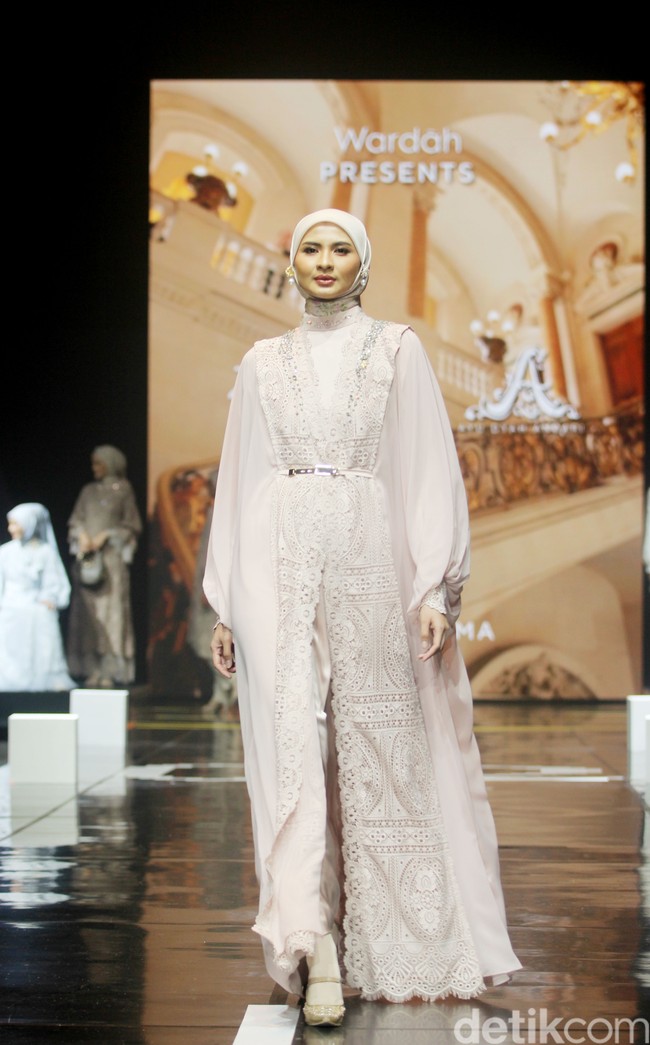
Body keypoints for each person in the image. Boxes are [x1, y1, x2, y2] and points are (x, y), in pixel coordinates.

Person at [203, 209, 521, 1026]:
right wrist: (226, 598)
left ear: (361, 263)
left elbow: (424, 466)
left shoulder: (399, 350)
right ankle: (319, 949)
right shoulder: (261, 361)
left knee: (380, 743)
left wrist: (430, 587)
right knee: (293, 741)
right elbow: (240, 478)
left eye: (340, 247)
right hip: (277, 562)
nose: (323, 259)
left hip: (371, 556)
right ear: (293, 261)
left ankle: (394, 939)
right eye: (310, 246)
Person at [66, 445, 142, 688]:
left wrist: (107, 535)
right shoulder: (88, 491)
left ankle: (110, 670)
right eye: (94, 464)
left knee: (111, 615)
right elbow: (75, 520)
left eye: (99, 463)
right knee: (89, 617)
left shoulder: (124, 491)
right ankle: (92, 669)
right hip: (89, 562)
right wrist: (83, 536)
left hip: (111, 563)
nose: (95, 468)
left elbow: (131, 526)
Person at [0, 502, 75, 691]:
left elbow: (53, 580)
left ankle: (46, 676)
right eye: (10, 524)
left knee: (43, 616)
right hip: (10, 603)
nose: (11, 529)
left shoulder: (45, 551)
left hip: (33, 602)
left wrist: (49, 597)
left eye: (16, 524)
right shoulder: (6, 552)